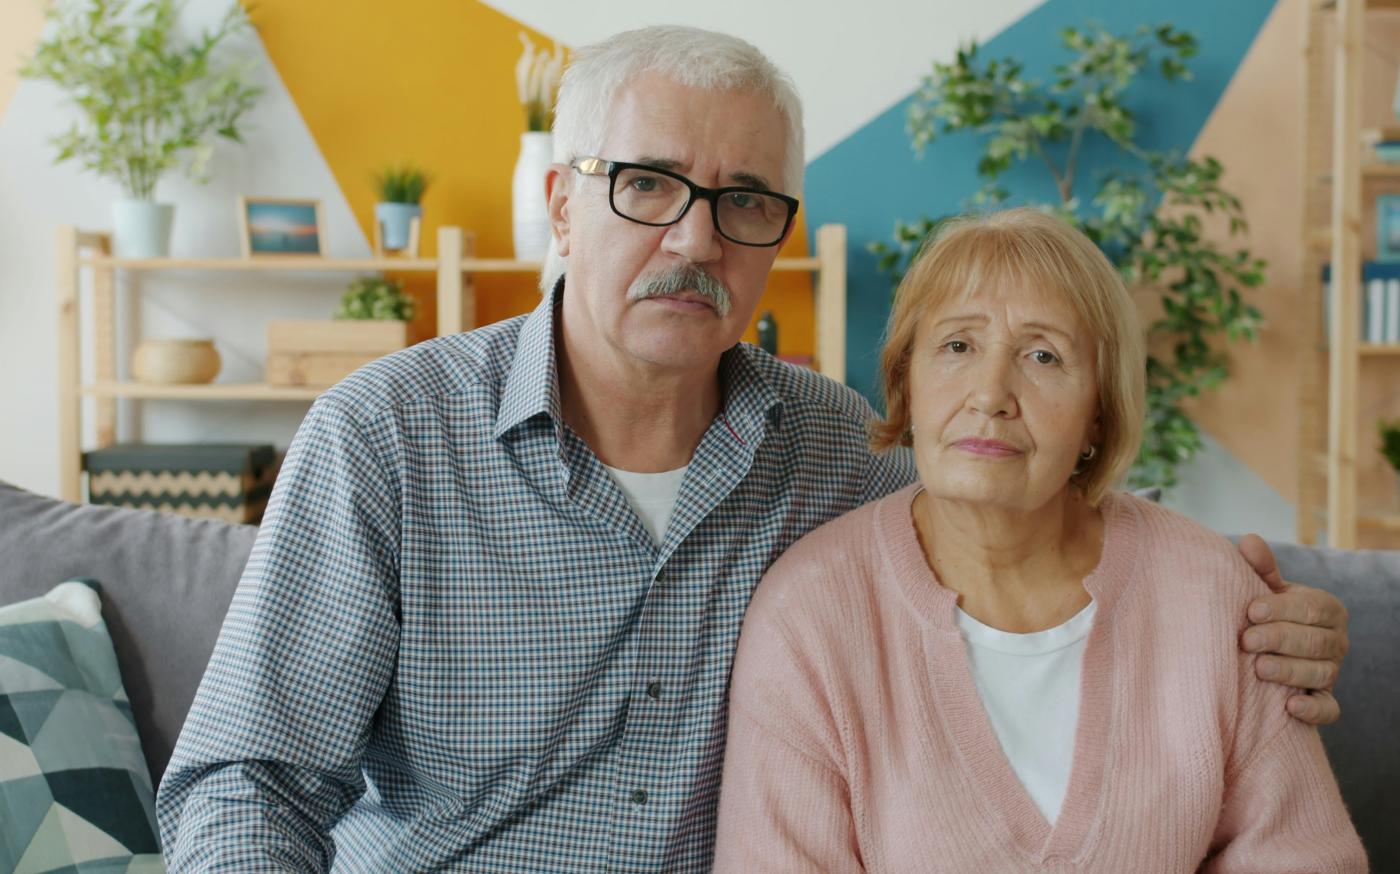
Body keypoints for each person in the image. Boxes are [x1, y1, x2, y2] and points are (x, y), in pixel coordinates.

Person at [156, 26, 1351, 872]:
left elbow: (1014, 496)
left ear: (776, 233)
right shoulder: (388, 440)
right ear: (562, 207)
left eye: (742, 202)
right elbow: (244, 783)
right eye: (645, 184)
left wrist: (1251, 609)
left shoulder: (832, 447)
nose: (694, 238)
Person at [714, 209, 1366, 872]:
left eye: (1042, 356)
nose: (991, 394)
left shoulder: (1213, 593)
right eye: (958, 346)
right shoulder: (811, 612)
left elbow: (1301, 857)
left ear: (1098, 414)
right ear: (907, 383)